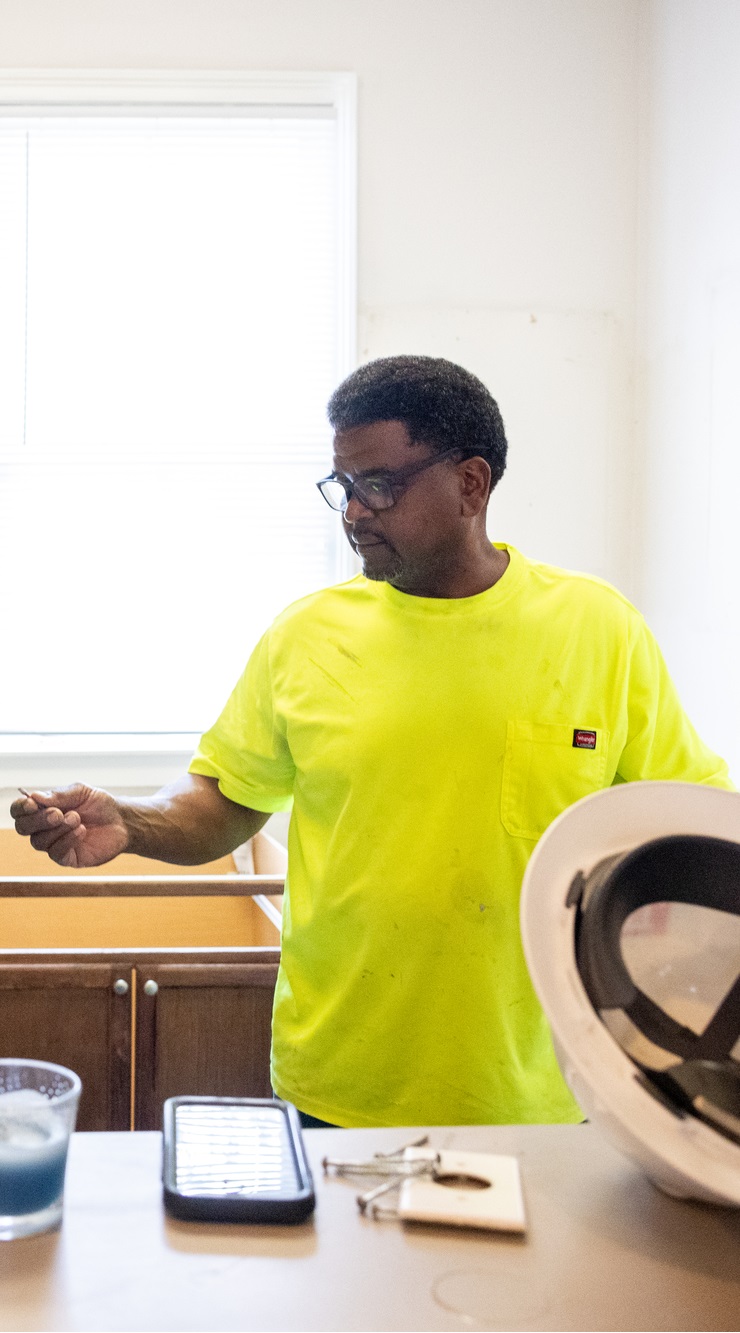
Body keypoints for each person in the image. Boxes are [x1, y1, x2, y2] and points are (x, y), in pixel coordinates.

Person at [11, 355, 734, 1130]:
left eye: (378, 484)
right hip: (340, 1086)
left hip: (546, 1096)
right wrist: (131, 823)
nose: (353, 511)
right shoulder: (305, 636)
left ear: (471, 484)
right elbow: (227, 801)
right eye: (342, 486)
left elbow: (688, 822)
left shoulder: (600, 631)